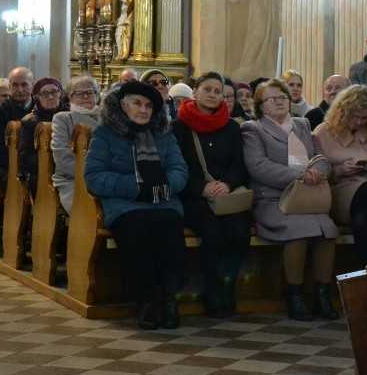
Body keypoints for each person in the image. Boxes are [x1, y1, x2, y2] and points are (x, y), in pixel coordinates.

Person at [84, 81, 188, 330]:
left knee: (170, 228)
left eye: (149, 105)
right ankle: (147, 300)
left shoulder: (164, 133)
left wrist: (163, 185)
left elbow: (179, 169)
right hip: (125, 204)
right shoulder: (105, 134)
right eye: (137, 103)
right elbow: (94, 177)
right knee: (137, 230)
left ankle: (169, 299)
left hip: (163, 200)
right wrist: (137, 187)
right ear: (123, 105)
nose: (143, 110)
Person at [242, 79, 339, 321]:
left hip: (307, 198)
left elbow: (320, 158)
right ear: (260, 105)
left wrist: (319, 171)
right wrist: (300, 175)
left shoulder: (302, 124)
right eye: (272, 98)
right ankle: (294, 296)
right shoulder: (253, 129)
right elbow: (258, 166)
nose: (279, 101)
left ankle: (322, 295)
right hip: (274, 200)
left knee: (327, 230)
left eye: (283, 97)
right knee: (299, 230)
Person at [173, 72, 251, 318]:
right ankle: (212, 291)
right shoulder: (178, 127)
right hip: (193, 196)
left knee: (240, 230)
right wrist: (201, 188)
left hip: (226, 195)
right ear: (195, 92)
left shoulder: (231, 127)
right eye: (207, 89)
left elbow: (239, 164)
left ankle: (229, 286)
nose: (212, 95)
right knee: (213, 230)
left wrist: (227, 184)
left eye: (217, 91)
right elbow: (176, 166)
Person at [313, 85, 367, 314]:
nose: (359, 122)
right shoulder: (323, 132)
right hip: (340, 193)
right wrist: (340, 170)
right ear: (342, 112)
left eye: (364, 118)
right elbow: (317, 174)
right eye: (354, 117)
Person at [51, 75, 101, 214]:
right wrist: (92, 174)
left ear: (97, 95)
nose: (85, 96)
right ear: (70, 97)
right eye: (79, 93)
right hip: (73, 180)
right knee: (88, 213)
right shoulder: (63, 118)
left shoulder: (107, 119)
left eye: (90, 92)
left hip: (106, 178)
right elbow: (62, 157)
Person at [19, 78, 66, 197]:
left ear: (60, 94)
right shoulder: (29, 121)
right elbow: (25, 156)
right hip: (41, 174)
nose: (50, 97)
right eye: (44, 94)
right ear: (37, 97)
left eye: (54, 92)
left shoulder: (70, 116)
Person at [0, 67, 34, 189]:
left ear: (32, 85)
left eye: (24, 85)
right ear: (9, 87)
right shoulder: (0, 111)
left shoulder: (40, 107)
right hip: (10, 166)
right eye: (15, 85)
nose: (20, 90)